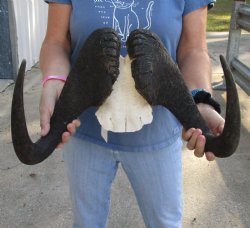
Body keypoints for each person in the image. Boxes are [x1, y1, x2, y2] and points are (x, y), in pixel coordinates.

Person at [39, 0, 225, 227]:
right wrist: (54, 80)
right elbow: (56, 41)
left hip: (158, 135)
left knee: (164, 223)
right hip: (85, 131)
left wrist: (200, 101)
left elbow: (193, 50)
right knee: (86, 222)